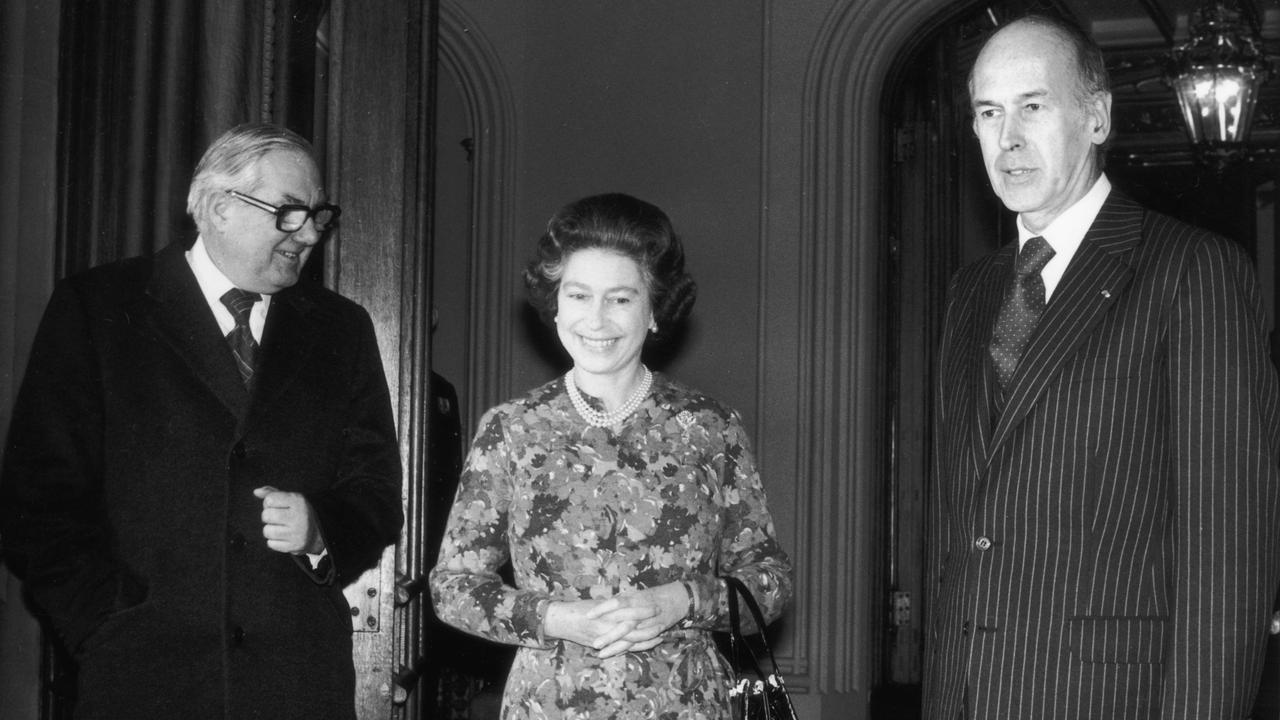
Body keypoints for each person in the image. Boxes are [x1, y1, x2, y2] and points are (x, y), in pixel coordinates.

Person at [923, 13, 1280, 720]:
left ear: (1097, 118)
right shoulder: (971, 292)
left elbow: (1227, 553)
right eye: (988, 112)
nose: (1008, 137)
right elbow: (962, 527)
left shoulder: (1191, 271)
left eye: (1034, 105)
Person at [0, 123, 404, 719]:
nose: (311, 233)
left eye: (320, 215)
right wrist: (104, 624)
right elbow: (38, 499)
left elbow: (376, 493)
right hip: (143, 682)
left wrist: (324, 529)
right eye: (291, 213)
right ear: (218, 207)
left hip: (296, 685)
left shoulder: (342, 329)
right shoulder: (100, 308)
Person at [429, 192, 793, 718]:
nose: (595, 320)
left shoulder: (712, 429)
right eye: (578, 295)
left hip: (685, 704)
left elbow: (771, 581)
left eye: (620, 299)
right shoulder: (512, 430)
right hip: (550, 704)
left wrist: (684, 601)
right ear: (555, 305)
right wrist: (557, 618)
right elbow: (453, 588)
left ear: (654, 311)